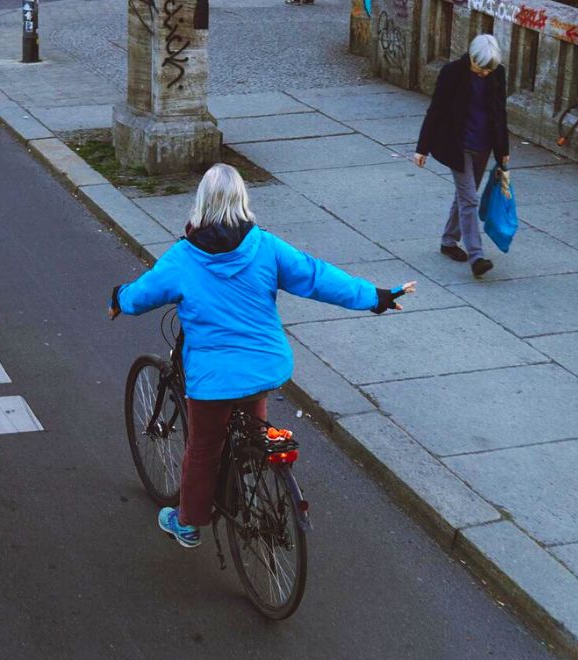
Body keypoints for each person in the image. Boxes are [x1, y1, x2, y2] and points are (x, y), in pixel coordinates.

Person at [108, 164, 415, 548]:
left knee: (203, 448)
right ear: (242, 200)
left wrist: (118, 298)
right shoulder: (265, 247)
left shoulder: (182, 259)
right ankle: (251, 474)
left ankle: (187, 524)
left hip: (214, 379)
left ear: (201, 202)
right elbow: (318, 277)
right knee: (253, 425)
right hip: (266, 367)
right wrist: (376, 297)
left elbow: (141, 295)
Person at [414, 34, 511, 279]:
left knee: (465, 195)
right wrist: (422, 148)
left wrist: (503, 152)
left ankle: (448, 240)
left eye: (489, 69)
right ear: (471, 58)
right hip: (456, 145)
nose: (484, 74)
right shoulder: (452, 73)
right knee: (469, 199)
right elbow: (436, 110)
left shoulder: (497, 74)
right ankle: (477, 256)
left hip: (483, 145)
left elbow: (500, 114)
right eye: (480, 68)